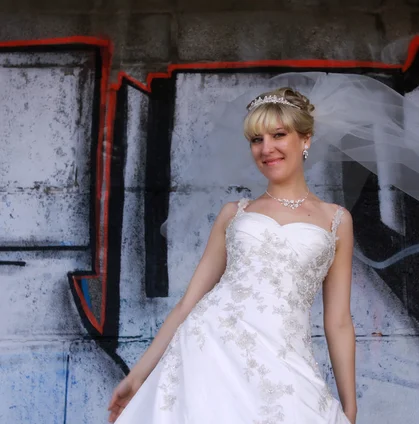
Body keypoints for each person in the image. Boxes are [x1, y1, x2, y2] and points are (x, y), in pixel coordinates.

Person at [108, 87, 357, 423]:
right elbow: (187, 303)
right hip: (209, 351)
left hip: (284, 362)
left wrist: (350, 405)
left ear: (305, 139)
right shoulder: (234, 213)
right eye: (256, 139)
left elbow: (338, 322)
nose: (266, 148)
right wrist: (137, 375)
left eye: (278, 135)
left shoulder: (336, 220)